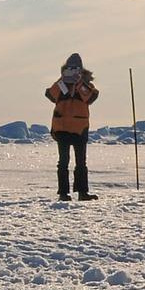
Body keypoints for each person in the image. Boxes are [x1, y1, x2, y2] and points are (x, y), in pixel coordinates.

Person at [45, 54, 99, 201]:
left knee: (80, 162)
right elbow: (50, 94)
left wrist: (80, 83)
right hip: (62, 128)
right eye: (70, 69)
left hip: (79, 128)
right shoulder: (61, 83)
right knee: (64, 161)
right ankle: (63, 193)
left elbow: (92, 97)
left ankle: (82, 192)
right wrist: (62, 80)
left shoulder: (85, 84)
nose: (73, 71)